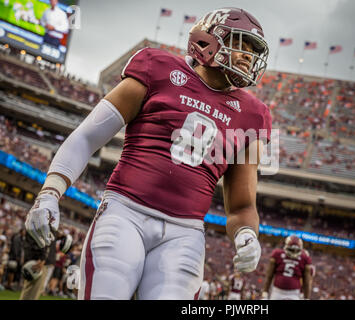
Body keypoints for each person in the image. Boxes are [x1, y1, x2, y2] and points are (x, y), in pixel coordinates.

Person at [25, 7, 272, 300]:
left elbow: (242, 205)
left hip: (186, 233)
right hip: (125, 212)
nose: (246, 55)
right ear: (209, 40)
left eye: (252, 50)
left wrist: (247, 235)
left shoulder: (253, 114)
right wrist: (50, 193)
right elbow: (87, 136)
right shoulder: (158, 68)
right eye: (241, 44)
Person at [262, 235, 313, 300]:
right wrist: (265, 292)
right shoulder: (278, 255)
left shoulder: (304, 259)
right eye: (291, 250)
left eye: (296, 250)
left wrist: (306, 297)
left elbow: (307, 281)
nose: (293, 253)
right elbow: (269, 275)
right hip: (277, 291)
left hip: (294, 293)